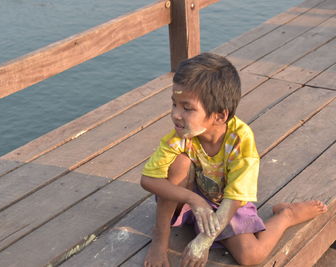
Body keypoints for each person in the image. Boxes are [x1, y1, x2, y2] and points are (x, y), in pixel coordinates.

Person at [140, 52, 327, 267]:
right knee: (180, 163)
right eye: (174, 104)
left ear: (220, 116)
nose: (176, 114)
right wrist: (195, 200)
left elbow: (234, 199)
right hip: (193, 195)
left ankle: (287, 214)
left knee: (251, 256)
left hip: (227, 201)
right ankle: (161, 236)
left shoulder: (240, 140)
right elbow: (149, 180)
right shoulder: (179, 137)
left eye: (187, 108)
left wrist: (204, 240)